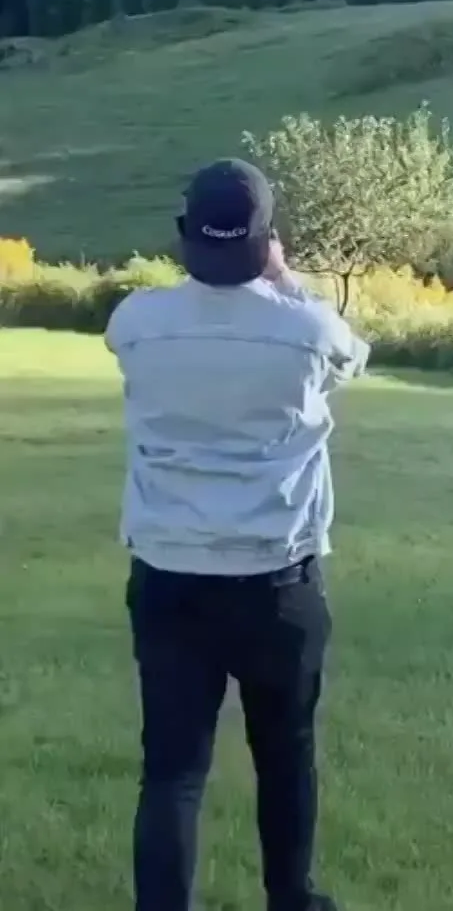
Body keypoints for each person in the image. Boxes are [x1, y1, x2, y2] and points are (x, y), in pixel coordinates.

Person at [105, 158, 370, 911]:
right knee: (285, 756)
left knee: (173, 771)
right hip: (277, 579)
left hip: (168, 574)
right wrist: (287, 282)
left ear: (185, 233)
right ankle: (292, 899)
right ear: (267, 238)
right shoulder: (306, 329)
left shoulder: (137, 322)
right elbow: (353, 356)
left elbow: (147, 339)